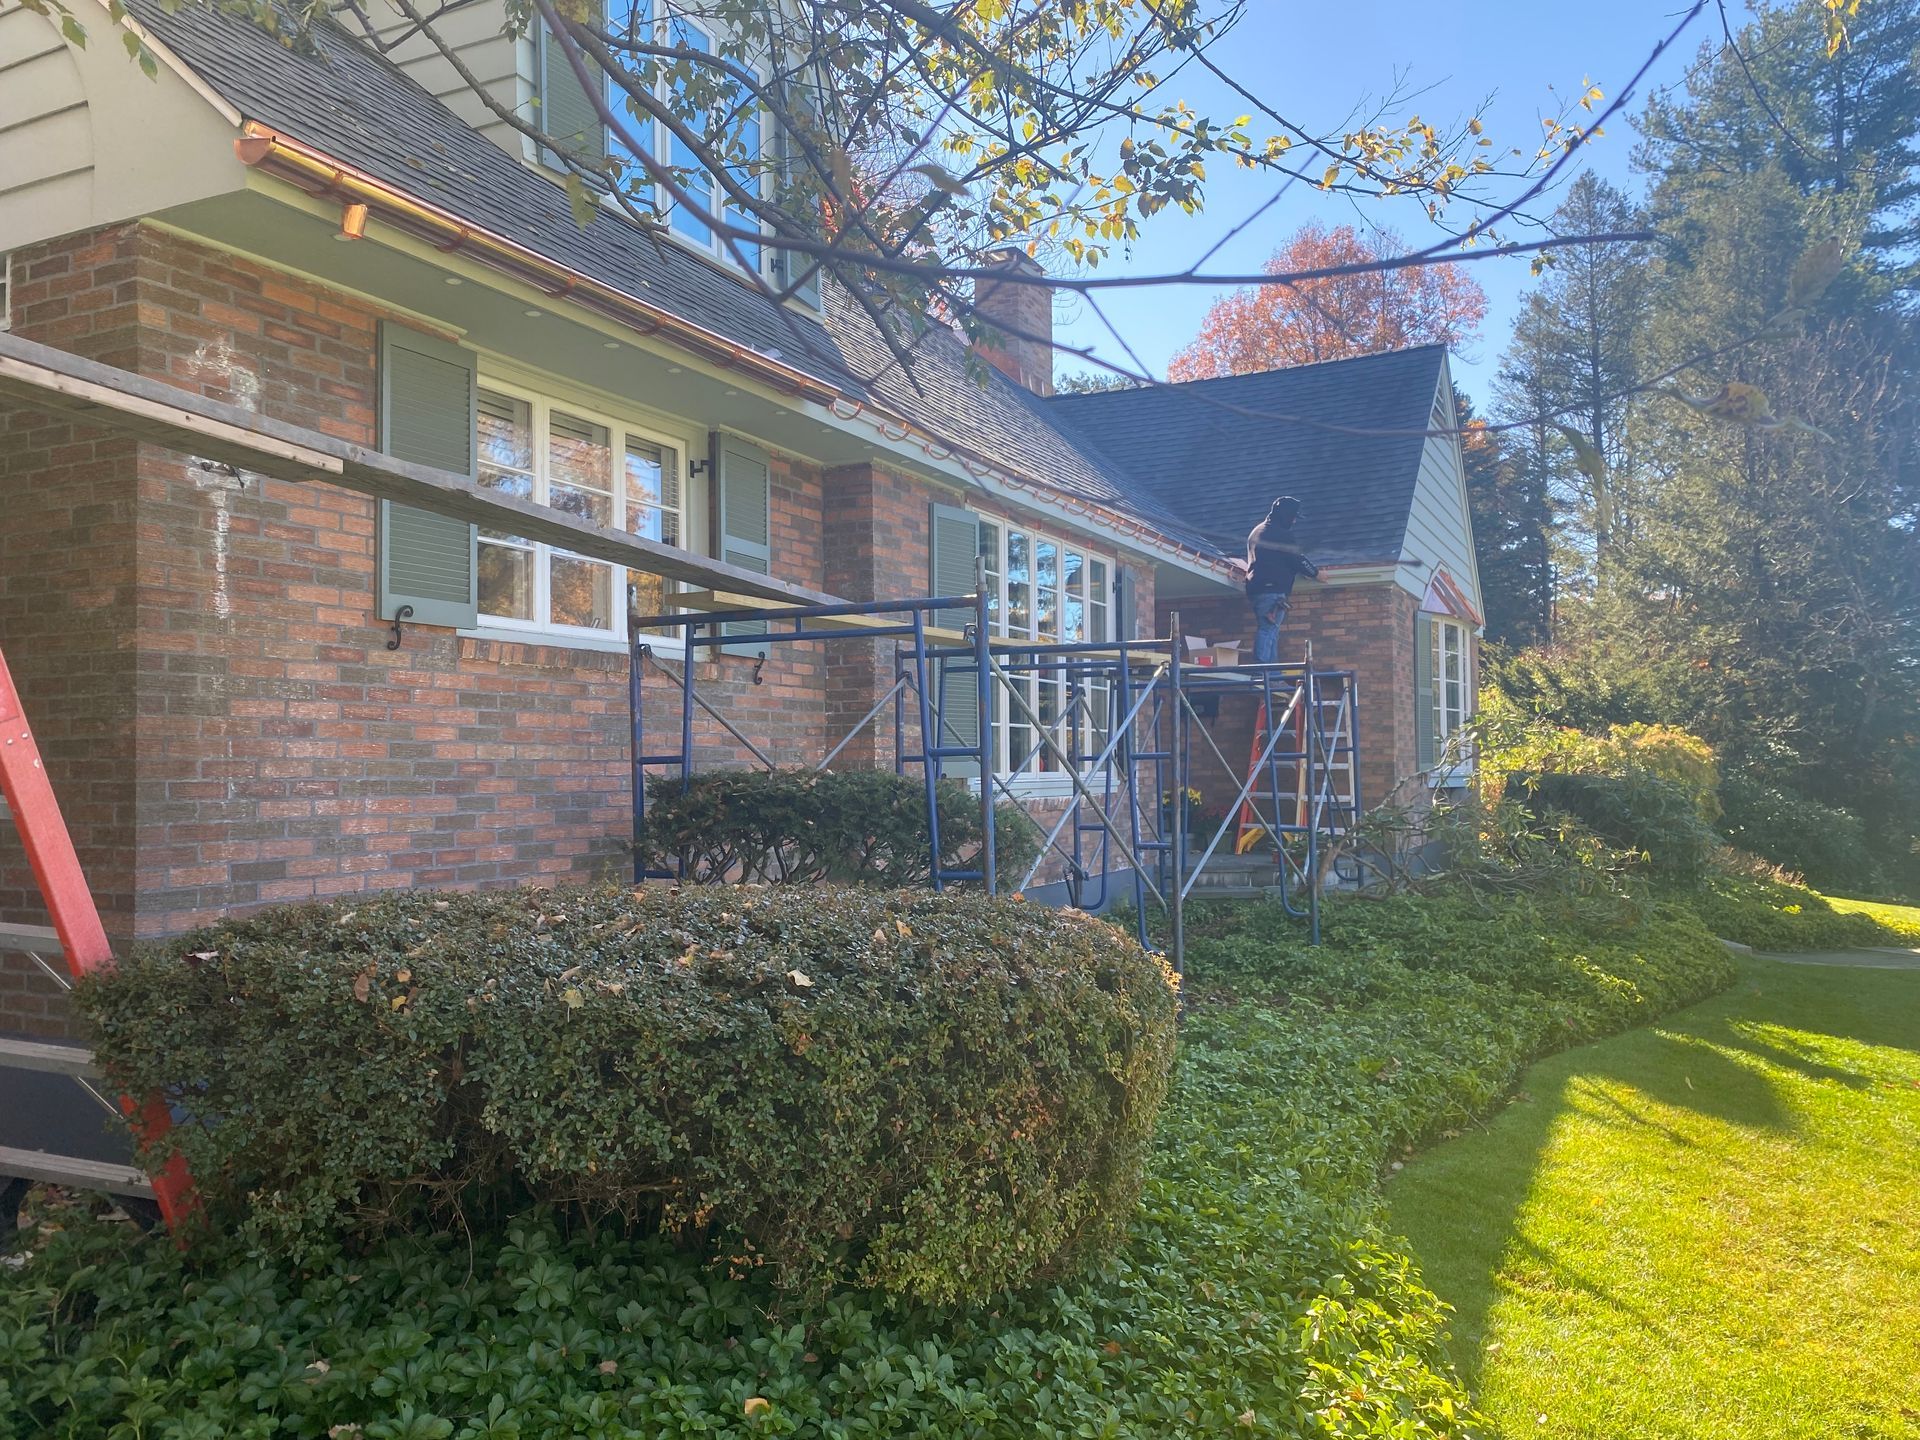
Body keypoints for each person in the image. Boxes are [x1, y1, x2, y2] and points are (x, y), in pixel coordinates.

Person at [1243, 495, 1319, 663]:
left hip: (1257, 587)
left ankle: (1272, 674)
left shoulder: (1258, 531)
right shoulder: (1280, 534)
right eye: (1293, 517)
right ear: (1286, 515)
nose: (1294, 522)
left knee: (1271, 630)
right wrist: (1316, 573)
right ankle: (1264, 673)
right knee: (1268, 629)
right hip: (1272, 589)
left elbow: (1276, 558)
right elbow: (1296, 558)